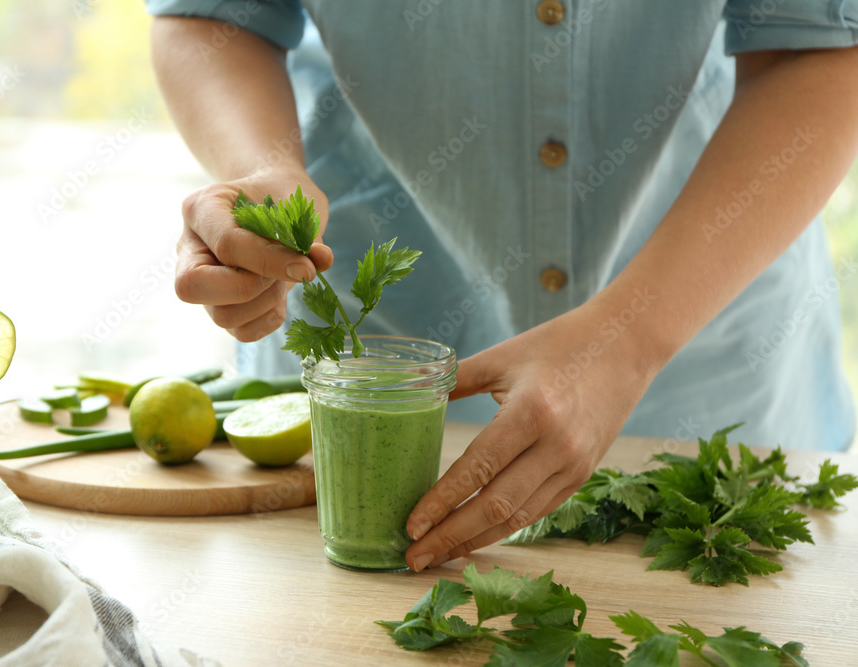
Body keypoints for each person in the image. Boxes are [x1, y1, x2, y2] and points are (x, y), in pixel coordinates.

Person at [144, 1, 858, 572]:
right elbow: (215, 15)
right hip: (375, 328)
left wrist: (632, 337)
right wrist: (262, 167)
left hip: (706, 362)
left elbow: (818, 43)